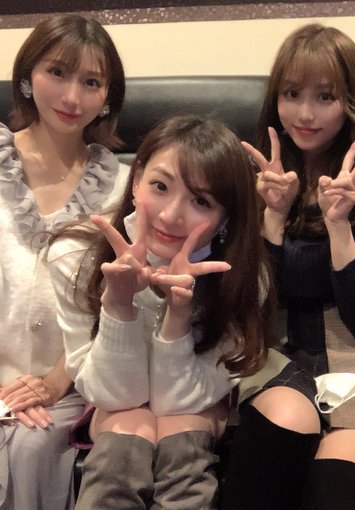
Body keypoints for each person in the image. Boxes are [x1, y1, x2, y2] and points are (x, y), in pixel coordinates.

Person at [223, 23, 355, 510]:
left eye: (325, 97)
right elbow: (250, 312)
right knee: (270, 447)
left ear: (349, 103)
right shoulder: (255, 180)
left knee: (339, 489)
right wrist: (272, 217)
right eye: (292, 94)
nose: (305, 114)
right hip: (275, 356)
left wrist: (339, 226)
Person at [47, 115, 274, 509]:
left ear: (226, 216)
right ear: (136, 179)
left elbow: (175, 404)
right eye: (161, 186)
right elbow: (115, 396)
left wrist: (177, 315)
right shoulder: (76, 257)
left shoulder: (242, 277)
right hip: (112, 401)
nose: (171, 215)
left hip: (195, 403)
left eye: (201, 201)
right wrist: (118, 304)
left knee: (180, 437)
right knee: (126, 434)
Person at [0, 14, 126, 509]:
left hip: (70, 383)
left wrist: (55, 382)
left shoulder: (123, 187)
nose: (72, 96)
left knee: (32, 446)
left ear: (108, 96)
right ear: (27, 76)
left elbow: (111, 301)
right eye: (57, 72)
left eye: (91, 82)